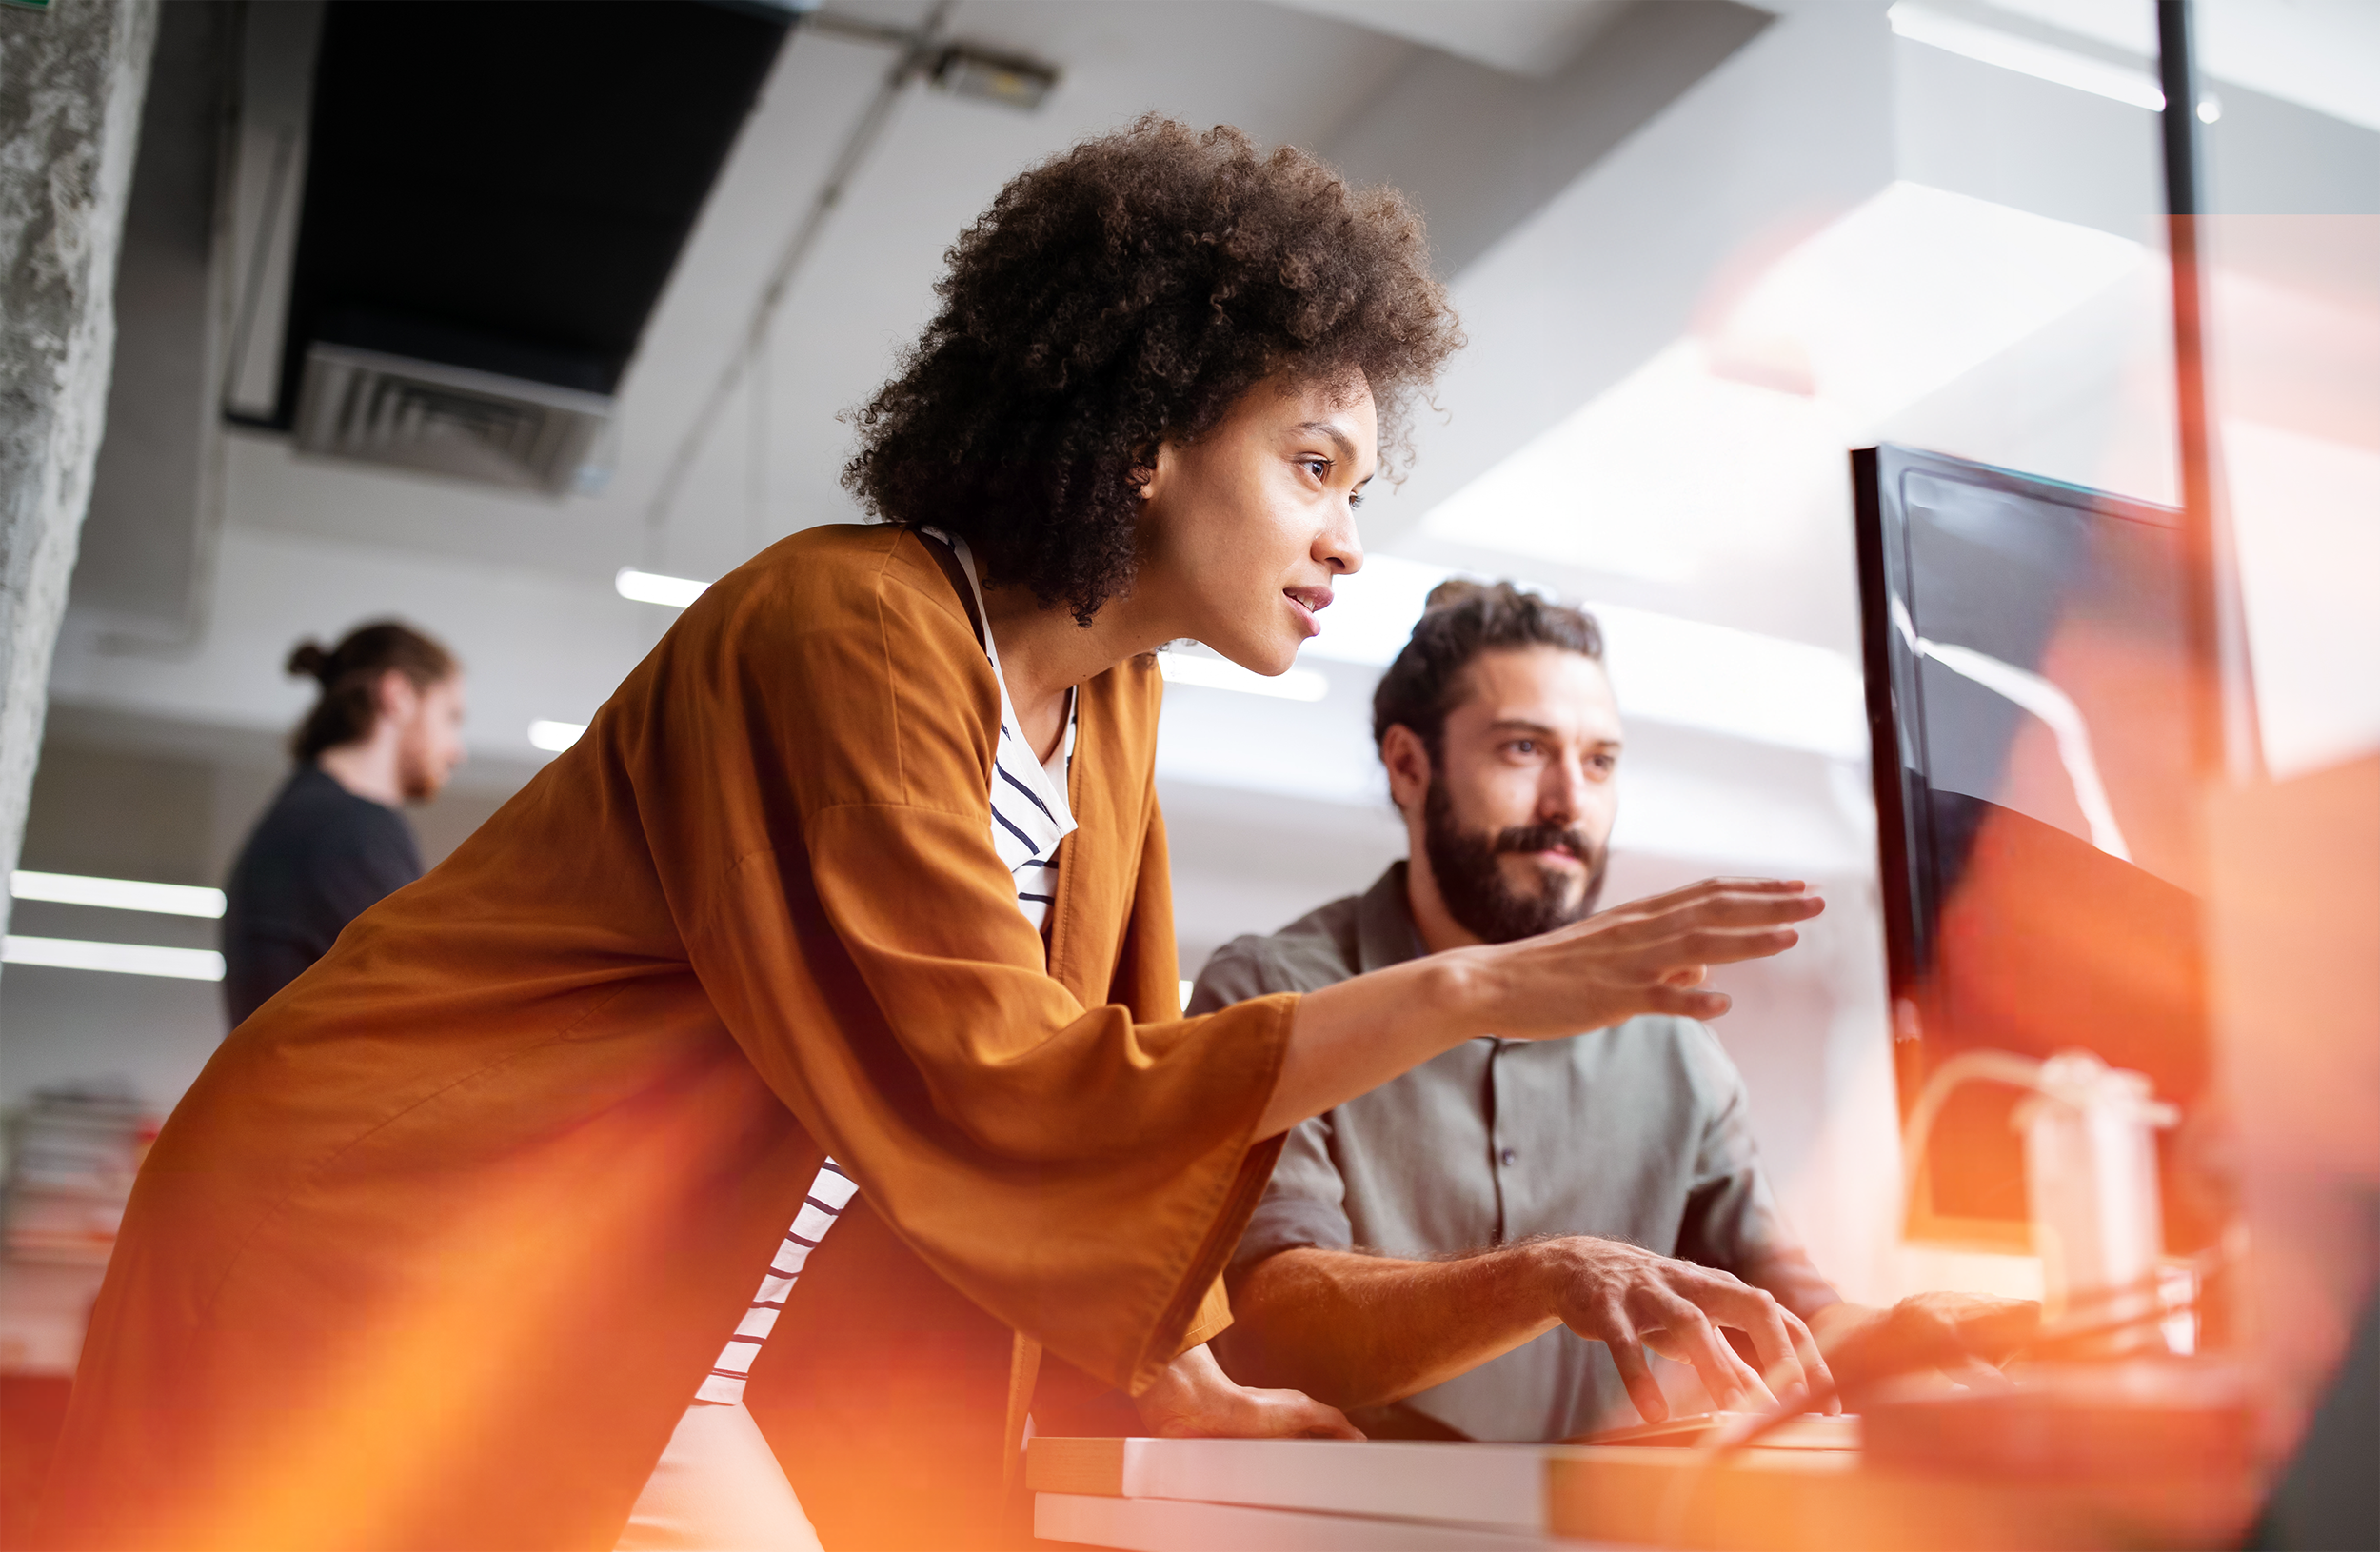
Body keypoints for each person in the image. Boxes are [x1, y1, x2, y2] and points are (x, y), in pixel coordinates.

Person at [38, 120, 1826, 1552]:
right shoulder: (848, 631)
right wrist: (1485, 988)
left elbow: (1109, 1115)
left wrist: (1192, 1376)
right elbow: (1015, 1087)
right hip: (383, 1256)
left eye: (1360, 486)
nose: (1346, 538)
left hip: (653, 1336)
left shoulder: (1108, 706)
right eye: (1312, 466)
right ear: (1144, 438)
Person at [1199, 581, 2037, 1443]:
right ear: (1410, 766)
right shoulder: (1274, 996)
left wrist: (1885, 1334)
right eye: (1525, 750)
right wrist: (1545, 1276)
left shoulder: (1673, 1042)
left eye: (1600, 762)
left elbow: (1789, 1311)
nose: (1570, 801)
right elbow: (1271, 1324)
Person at [219, 622, 466, 1026]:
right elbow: (424, 1007)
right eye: (450, 717)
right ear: (398, 694)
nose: (458, 752)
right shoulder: (351, 828)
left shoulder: (309, 816)